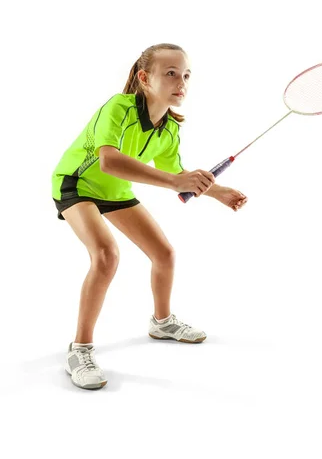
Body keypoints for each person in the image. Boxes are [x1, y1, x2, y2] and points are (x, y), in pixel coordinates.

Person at [51, 43, 248, 390]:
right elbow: (109, 161)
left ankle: (162, 322)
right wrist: (175, 181)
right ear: (144, 78)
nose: (181, 81)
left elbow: (178, 177)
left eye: (186, 74)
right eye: (170, 73)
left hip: (115, 192)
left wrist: (218, 193)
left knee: (164, 254)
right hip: (77, 184)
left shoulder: (170, 129)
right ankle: (79, 348)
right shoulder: (119, 108)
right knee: (107, 256)